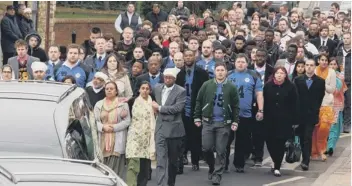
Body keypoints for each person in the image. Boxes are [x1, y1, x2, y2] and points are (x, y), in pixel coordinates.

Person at [194, 63, 239, 185]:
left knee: (221, 150)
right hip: (208, 121)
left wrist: (235, 121)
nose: (220, 72)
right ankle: (212, 166)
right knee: (206, 148)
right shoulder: (207, 85)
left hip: (224, 123)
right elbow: (199, 101)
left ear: (226, 72)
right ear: (214, 72)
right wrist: (196, 117)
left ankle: (217, 175)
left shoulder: (231, 87)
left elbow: (235, 106)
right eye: (218, 70)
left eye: (222, 70)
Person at [226, 53, 264, 171]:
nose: (240, 64)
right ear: (234, 63)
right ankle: (224, 163)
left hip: (245, 113)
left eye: (243, 62)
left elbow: (259, 94)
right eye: (238, 62)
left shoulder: (253, 75)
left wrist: (260, 110)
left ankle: (239, 164)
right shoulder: (229, 74)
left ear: (247, 63)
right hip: (229, 113)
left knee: (242, 141)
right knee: (226, 140)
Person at [175, 49, 209, 173]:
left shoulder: (202, 73)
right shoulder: (180, 74)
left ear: (194, 57)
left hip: (196, 109)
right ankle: (182, 159)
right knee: (182, 137)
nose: (188, 58)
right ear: (184, 58)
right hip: (183, 110)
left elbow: (206, 92)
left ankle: (195, 161)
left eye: (190, 55)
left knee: (195, 137)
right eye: (186, 56)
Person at [151, 67, 186, 186]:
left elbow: (177, 108)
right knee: (160, 159)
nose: (167, 79)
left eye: (170, 78)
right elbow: (150, 99)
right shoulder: (157, 87)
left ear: (174, 79)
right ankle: (160, 184)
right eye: (166, 77)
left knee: (172, 162)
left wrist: (159, 108)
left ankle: (170, 183)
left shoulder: (181, 91)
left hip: (174, 130)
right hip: (160, 127)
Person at [264, 67, 299, 177]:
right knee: (270, 142)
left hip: (285, 120)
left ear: (285, 75)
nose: (279, 75)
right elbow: (263, 101)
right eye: (277, 73)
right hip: (269, 119)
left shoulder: (291, 87)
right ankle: (275, 160)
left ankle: (277, 166)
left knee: (280, 143)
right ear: (274, 74)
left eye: (282, 73)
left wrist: (295, 120)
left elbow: (295, 103)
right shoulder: (268, 86)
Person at [94, 81, 131, 177]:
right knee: (102, 170)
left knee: (115, 171)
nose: (109, 90)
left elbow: (127, 121)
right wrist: (103, 127)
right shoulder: (99, 104)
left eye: (111, 89)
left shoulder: (123, 104)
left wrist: (113, 128)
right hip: (102, 138)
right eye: (107, 89)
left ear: (116, 91)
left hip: (117, 138)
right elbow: (93, 122)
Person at [294, 59, 325, 171]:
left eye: (311, 65)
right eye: (307, 65)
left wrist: (315, 111)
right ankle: (304, 154)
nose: (309, 67)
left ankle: (306, 160)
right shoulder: (297, 80)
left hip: (311, 114)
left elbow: (320, 98)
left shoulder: (320, 81)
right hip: (299, 114)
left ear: (315, 67)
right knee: (301, 136)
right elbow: (295, 97)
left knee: (307, 136)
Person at [126, 81, 156, 186]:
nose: (145, 90)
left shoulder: (152, 103)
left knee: (144, 166)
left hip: (147, 137)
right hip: (134, 136)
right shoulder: (132, 101)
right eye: (143, 88)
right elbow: (126, 116)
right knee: (132, 163)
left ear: (150, 91)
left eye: (147, 89)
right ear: (139, 90)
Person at [312, 54, 336, 161]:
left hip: (327, 103)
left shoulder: (332, 72)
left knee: (324, 128)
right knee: (314, 129)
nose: (324, 62)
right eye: (322, 60)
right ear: (318, 61)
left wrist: (322, 83)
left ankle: (322, 150)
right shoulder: (314, 70)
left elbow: (332, 89)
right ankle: (314, 151)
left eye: (326, 60)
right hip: (315, 103)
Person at [326, 57, 347, 156]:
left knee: (334, 127)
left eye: (334, 64)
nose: (333, 66)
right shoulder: (324, 75)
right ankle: (325, 146)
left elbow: (338, 90)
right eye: (331, 64)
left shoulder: (340, 77)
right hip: (325, 104)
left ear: (337, 65)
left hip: (337, 105)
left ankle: (330, 147)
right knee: (326, 126)